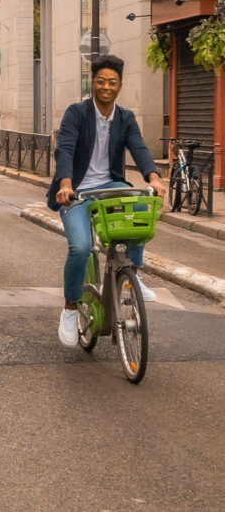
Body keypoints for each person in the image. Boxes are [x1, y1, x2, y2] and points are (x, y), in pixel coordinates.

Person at [49, 54, 166, 347]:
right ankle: (70, 308)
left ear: (120, 86)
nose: (106, 87)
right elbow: (64, 149)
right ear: (93, 82)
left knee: (141, 207)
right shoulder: (76, 113)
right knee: (80, 248)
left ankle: (132, 276)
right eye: (100, 81)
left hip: (110, 186)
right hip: (76, 191)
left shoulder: (125, 118)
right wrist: (65, 184)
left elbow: (139, 148)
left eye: (112, 82)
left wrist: (153, 177)